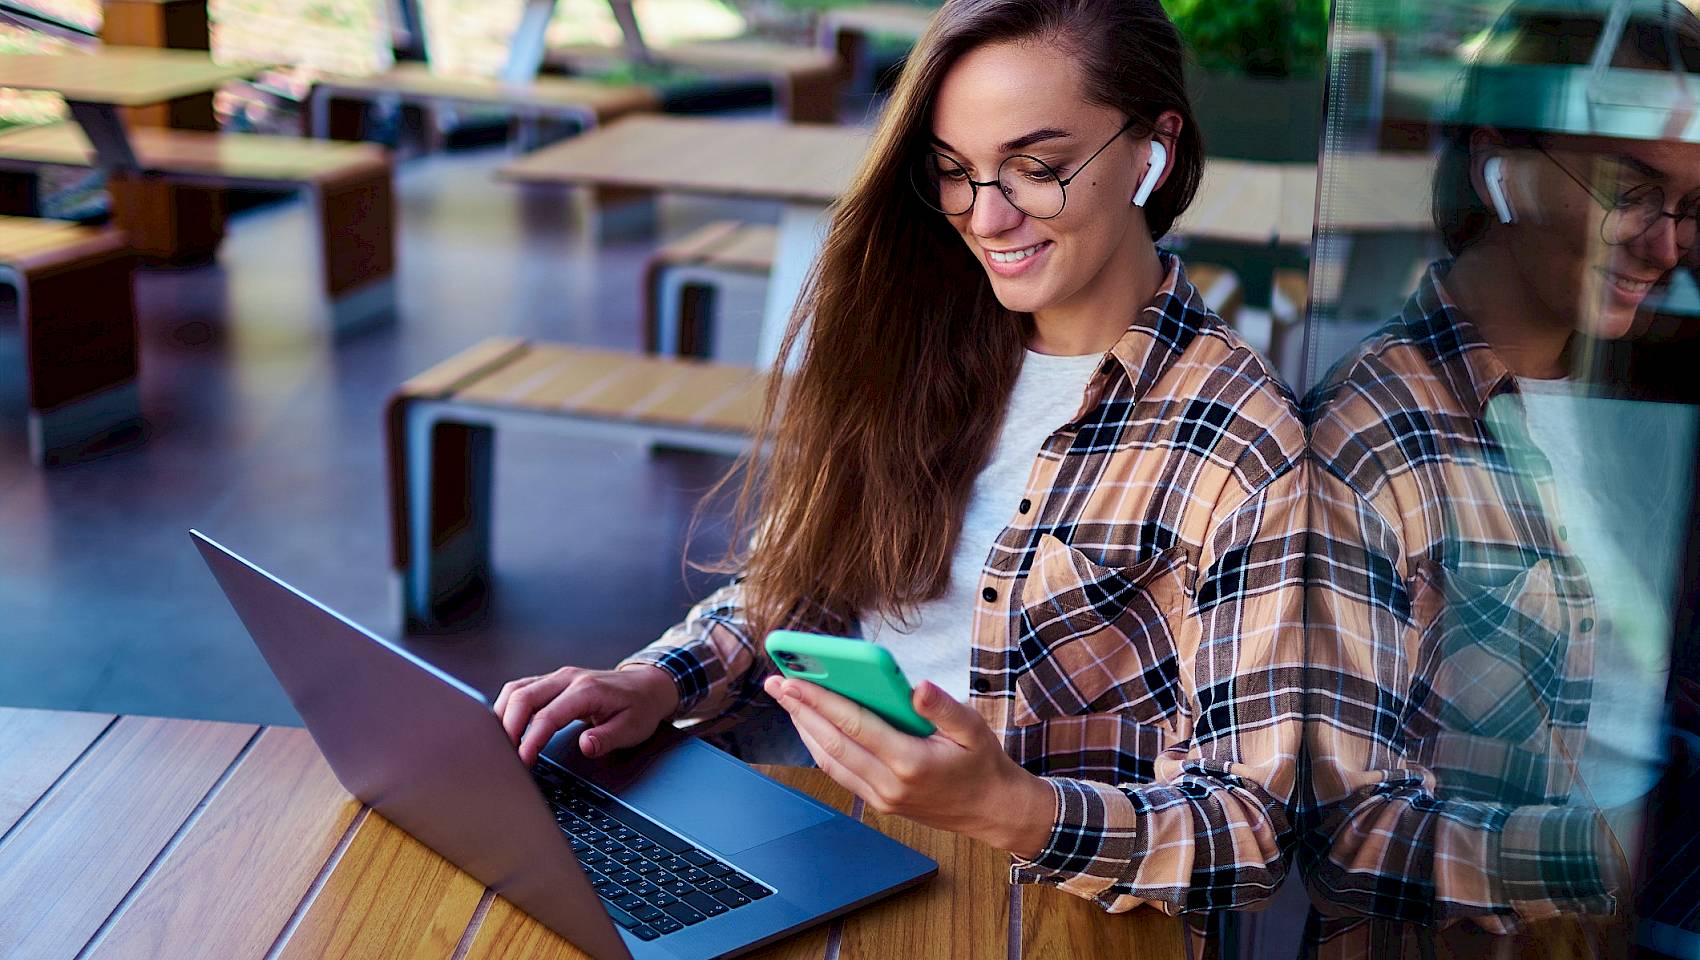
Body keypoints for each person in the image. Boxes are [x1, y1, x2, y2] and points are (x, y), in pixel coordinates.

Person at [496, 0, 1308, 915]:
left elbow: (1250, 827)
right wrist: (655, 680)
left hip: (1036, 903)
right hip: (831, 833)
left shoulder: (1240, 443)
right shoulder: (927, 339)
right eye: (955, 172)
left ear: (1151, 151)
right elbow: (802, 583)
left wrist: (1011, 809)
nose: (988, 219)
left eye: (1037, 169)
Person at [1302, 3, 1700, 954]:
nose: (1666, 245)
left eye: (1689, 207)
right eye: (1630, 191)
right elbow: (1344, 829)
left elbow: (1626, 700)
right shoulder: (1371, 431)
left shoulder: (1639, 387)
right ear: (1499, 167)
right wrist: (1604, 852)